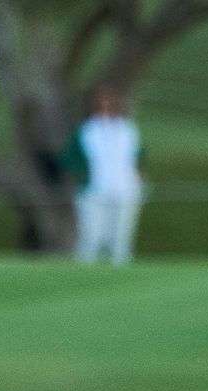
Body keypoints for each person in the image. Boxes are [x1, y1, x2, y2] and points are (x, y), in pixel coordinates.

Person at [66, 87, 144, 266]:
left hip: (125, 188)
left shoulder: (127, 130)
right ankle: (85, 271)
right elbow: (71, 159)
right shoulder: (88, 131)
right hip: (94, 190)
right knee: (92, 235)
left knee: (121, 237)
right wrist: (81, 176)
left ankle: (119, 273)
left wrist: (138, 179)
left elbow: (137, 157)